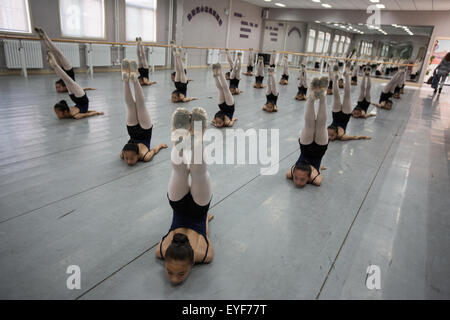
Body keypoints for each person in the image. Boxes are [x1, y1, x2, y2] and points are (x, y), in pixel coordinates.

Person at [156, 107, 214, 286]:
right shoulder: (162, 250)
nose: (173, 278)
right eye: (179, 274)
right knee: (192, 172)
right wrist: (206, 218)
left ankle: (192, 138)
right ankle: (195, 138)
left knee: (187, 172)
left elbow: (205, 229)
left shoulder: (204, 254)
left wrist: (206, 217)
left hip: (197, 209)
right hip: (182, 207)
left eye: (170, 271)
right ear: (192, 263)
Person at [119, 59, 167, 166]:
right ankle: (134, 79)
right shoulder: (146, 157)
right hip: (145, 130)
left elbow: (124, 153)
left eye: (128, 158)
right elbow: (154, 150)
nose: (128, 161)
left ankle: (126, 79)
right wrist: (160, 145)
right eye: (129, 158)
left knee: (130, 105)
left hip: (132, 131)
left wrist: (124, 153)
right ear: (138, 155)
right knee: (140, 105)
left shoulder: (123, 154)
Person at [286, 76, 329, 188]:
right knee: (321, 124)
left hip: (305, 149)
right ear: (309, 176)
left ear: (294, 172)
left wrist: (316, 169)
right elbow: (319, 180)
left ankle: (312, 96)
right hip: (320, 150)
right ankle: (323, 95)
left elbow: (288, 174)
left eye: (296, 178)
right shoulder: (315, 179)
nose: (298, 182)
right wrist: (317, 169)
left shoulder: (290, 173)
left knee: (309, 124)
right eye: (302, 179)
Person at [35, 27, 95, 93]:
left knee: (54, 52)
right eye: (58, 88)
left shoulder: (68, 86)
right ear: (64, 87)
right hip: (68, 68)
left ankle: (44, 38)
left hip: (61, 68)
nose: (57, 90)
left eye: (57, 87)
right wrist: (90, 88)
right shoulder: (72, 87)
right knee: (58, 53)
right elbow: (81, 88)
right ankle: (45, 36)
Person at [47, 52, 103, 120]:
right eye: (57, 113)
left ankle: (55, 65)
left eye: (57, 113)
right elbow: (86, 113)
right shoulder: (72, 114)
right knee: (66, 79)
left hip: (76, 98)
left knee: (66, 79)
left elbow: (86, 113)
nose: (57, 115)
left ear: (65, 111)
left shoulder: (73, 114)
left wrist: (96, 112)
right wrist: (97, 112)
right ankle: (55, 65)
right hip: (81, 98)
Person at [328, 63, 371, 141]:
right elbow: (354, 137)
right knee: (347, 95)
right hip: (345, 115)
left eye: (329, 136)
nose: (329, 138)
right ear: (336, 134)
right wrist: (364, 137)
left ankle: (335, 78)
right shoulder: (342, 137)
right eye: (332, 136)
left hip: (335, 115)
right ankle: (347, 74)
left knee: (336, 96)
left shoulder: (325, 135)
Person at [211, 63, 238, 128]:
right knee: (225, 89)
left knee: (221, 89)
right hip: (230, 107)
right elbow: (232, 122)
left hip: (222, 106)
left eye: (217, 123)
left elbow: (212, 121)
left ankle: (216, 75)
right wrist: (233, 119)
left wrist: (215, 123)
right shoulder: (228, 123)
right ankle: (219, 72)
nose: (217, 124)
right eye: (219, 123)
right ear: (223, 122)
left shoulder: (216, 121)